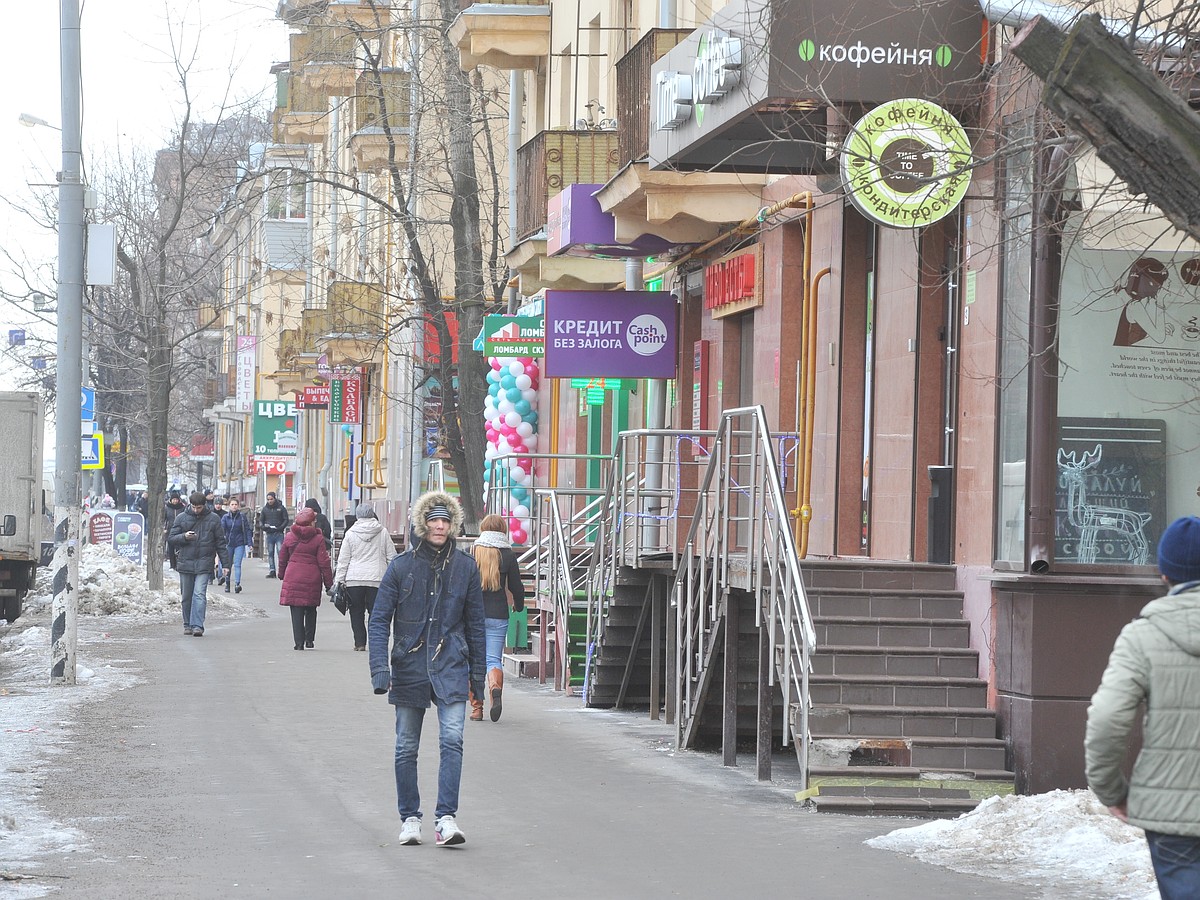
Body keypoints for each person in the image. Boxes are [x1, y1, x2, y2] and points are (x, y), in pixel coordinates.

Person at [1086, 516, 1200, 899]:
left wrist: (1112, 791)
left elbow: (1106, 718)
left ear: (1165, 574)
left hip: (1173, 813)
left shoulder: (1143, 636)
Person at [369, 491, 485, 847]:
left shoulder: (465, 567)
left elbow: (476, 625)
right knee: (406, 746)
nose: (439, 526)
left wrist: (477, 680)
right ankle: (409, 819)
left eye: (445, 521)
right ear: (423, 524)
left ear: (452, 525)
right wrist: (380, 670)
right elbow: (378, 622)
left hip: (451, 663)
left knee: (453, 740)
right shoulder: (401, 567)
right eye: (433, 520)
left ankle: (446, 818)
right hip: (409, 665)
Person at [470, 514, 525, 722]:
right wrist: (518, 606)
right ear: (502, 529)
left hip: (474, 614)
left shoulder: (473, 551)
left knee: (474, 661)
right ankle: (494, 687)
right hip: (498, 613)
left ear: (483, 528)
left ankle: (477, 709)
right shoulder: (508, 555)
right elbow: (516, 587)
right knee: (493, 658)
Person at [167, 491, 231, 638]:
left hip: (204, 561)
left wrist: (225, 565)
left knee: (199, 594)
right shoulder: (182, 517)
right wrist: (184, 536)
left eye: (199, 507)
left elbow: (221, 543)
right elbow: (171, 538)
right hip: (185, 562)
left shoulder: (213, 519)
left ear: (204, 505)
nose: (196, 510)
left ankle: (197, 625)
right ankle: (187, 624)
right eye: (194, 507)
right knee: (186, 596)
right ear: (190, 504)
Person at [333, 502, 396, 651]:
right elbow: (392, 557)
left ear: (357, 516)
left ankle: (360, 643)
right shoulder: (383, 532)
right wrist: (393, 578)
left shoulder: (351, 533)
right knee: (376, 613)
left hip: (354, 579)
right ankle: (376, 643)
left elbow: (343, 560)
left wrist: (339, 580)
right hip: (377, 579)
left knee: (356, 612)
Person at [278, 506, 333, 651]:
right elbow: (324, 562)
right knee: (311, 609)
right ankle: (309, 640)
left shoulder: (289, 536)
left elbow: (282, 557)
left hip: (293, 576)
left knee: (296, 610)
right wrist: (329, 583)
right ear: (310, 522)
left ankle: (299, 643)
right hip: (312, 577)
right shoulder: (318, 539)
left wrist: (281, 574)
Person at [221, 498, 254, 594]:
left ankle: (237, 584)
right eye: (232, 504)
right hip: (228, 543)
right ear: (229, 506)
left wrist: (249, 543)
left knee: (237, 564)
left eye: (236, 504)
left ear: (238, 506)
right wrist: (221, 541)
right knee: (228, 564)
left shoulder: (242, 517)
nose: (234, 506)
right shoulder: (225, 517)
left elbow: (247, 530)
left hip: (239, 543)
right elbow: (221, 530)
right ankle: (227, 584)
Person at [260, 491, 290, 578]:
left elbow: (286, 519)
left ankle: (282, 570)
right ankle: (272, 570)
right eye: (268, 499)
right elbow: (261, 521)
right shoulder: (265, 509)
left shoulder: (281, 508)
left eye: (271, 499)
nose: (270, 501)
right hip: (269, 533)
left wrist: (281, 527)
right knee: (270, 552)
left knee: (280, 552)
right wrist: (264, 527)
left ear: (274, 498)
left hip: (278, 533)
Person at [163, 491, 186, 570]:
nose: (175, 501)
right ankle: (172, 565)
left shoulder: (182, 507)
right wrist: (164, 528)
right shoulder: (167, 507)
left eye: (176, 499)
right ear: (171, 499)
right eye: (174, 499)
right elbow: (164, 519)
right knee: (171, 548)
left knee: (180, 548)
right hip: (170, 530)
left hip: (180, 530)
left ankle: (179, 564)